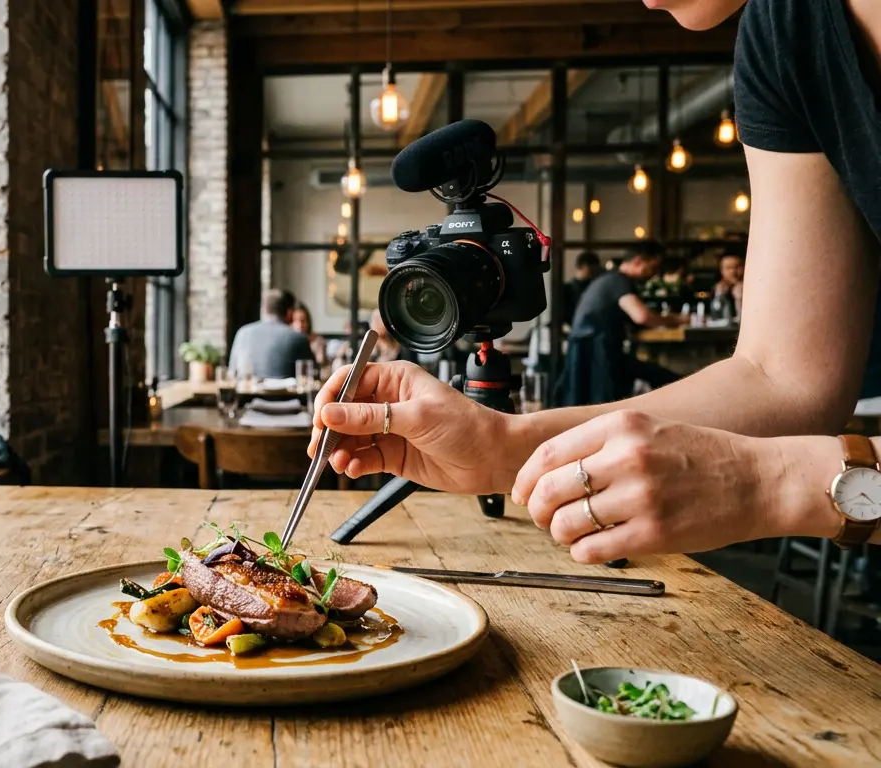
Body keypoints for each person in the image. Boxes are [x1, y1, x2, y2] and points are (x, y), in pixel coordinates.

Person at [304, 0, 881, 563]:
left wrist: (774, 484)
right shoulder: (781, 33)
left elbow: (785, 417)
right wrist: (500, 448)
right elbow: (782, 384)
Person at [558, 242, 684, 406]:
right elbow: (641, 316)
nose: (652, 274)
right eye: (652, 267)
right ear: (638, 261)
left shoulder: (610, 279)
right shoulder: (618, 280)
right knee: (660, 379)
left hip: (590, 349)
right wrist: (676, 320)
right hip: (595, 351)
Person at [226, 289, 315, 379]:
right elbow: (312, 376)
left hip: (244, 392)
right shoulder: (299, 338)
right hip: (286, 393)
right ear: (289, 313)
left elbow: (231, 373)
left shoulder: (242, 333)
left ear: (264, 310)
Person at [561, 251, 604, 328]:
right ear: (584, 266)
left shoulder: (594, 286)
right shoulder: (567, 289)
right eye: (592, 269)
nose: (594, 272)